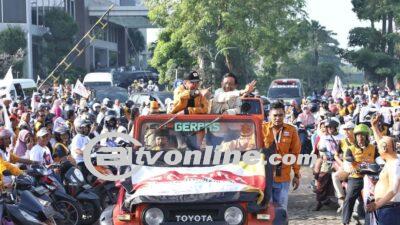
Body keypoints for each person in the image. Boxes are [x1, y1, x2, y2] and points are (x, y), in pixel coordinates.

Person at [262, 101, 301, 211]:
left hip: (283, 177)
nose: (278, 118)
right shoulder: (262, 129)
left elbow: (296, 153)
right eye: (275, 115)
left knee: (281, 211)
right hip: (265, 177)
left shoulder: (291, 130)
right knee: (265, 211)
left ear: (284, 115)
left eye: (280, 115)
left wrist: (297, 175)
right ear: (269, 115)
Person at [365, 114, 400, 225]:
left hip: (391, 210)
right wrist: (374, 126)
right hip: (388, 209)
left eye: (379, 147)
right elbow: (382, 142)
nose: (378, 150)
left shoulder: (395, 165)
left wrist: (376, 205)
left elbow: (393, 190)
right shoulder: (393, 158)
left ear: (384, 149)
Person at [342, 124, 376, 225]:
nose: (360, 137)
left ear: (367, 136)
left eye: (362, 135)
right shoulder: (350, 149)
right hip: (356, 178)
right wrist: (352, 161)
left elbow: (379, 160)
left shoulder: (373, 148)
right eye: (357, 135)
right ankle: (345, 221)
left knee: (373, 199)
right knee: (349, 199)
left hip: (370, 178)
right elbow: (348, 158)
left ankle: (370, 220)